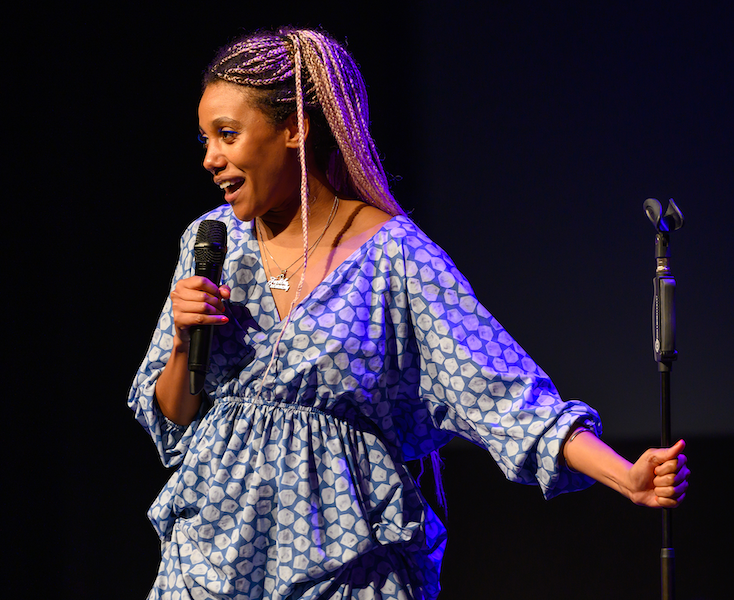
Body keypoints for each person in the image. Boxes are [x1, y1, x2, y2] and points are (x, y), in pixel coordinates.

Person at [128, 28, 689, 600]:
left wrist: (627, 476)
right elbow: (173, 421)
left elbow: (502, 392)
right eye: (205, 138)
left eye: (227, 135)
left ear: (294, 127)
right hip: (211, 559)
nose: (209, 158)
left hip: (347, 562)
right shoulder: (210, 242)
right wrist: (181, 341)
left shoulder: (395, 255)